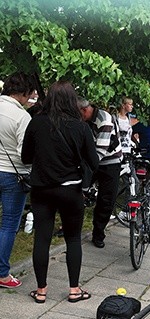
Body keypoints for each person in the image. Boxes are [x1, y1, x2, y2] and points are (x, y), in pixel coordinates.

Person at [21, 81, 99, 304]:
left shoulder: (36, 123)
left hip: (42, 189)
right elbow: (94, 162)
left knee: (42, 238)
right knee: (73, 239)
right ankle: (74, 290)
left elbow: (26, 157)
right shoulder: (81, 127)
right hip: (70, 190)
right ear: (72, 101)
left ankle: (41, 290)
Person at [0, 73, 37, 289]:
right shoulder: (22, 117)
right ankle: (2, 273)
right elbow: (25, 153)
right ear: (23, 93)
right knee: (8, 224)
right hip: (14, 175)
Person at [78, 97, 123, 248]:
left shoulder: (104, 119)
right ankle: (70, 227)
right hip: (93, 159)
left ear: (85, 110)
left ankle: (98, 234)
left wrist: (86, 170)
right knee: (76, 191)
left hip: (110, 162)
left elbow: (101, 150)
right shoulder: (85, 120)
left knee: (106, 200)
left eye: (78, 114)